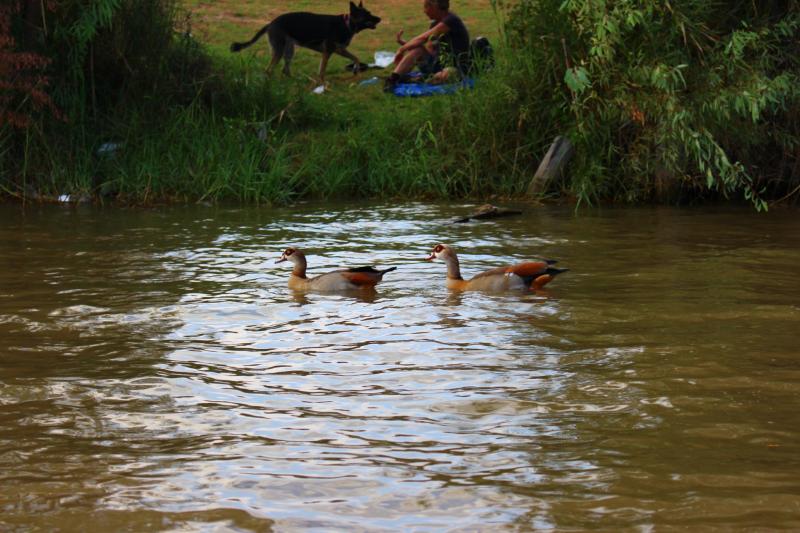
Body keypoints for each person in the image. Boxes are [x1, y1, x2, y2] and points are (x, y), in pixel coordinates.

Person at [383, 0, 470, 92]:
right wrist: (408, 45)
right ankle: (393, 79)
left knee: (446, 75)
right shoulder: (435, 23)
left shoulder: (451, 21)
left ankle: (420, 79)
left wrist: (402, 49)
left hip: (455, 66)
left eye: (426, 7)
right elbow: (428, 48)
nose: (424, 11)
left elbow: (424, 38)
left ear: (434, 7)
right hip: (437, 64)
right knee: (418, 49)